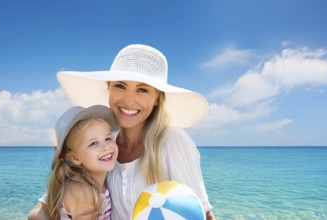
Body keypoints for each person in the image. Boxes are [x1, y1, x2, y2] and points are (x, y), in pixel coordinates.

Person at [28, 44, 216, 219]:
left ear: (158, 99)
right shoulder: (104, 145)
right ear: (108, 88)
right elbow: (39, 212)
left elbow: (202, 213)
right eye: (120, 86)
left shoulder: (172, 141)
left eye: (142, 90)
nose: (128, 101)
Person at [40, 105, 119, 219]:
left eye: (108, 138)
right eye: (93, 143)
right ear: (75, 158)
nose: (106, 147)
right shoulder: (82, 191)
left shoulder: (95, 183)